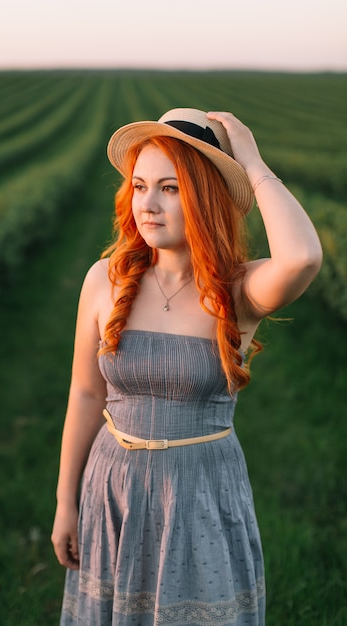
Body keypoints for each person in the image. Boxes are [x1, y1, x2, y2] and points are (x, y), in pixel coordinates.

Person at [51, 107, 322, 625]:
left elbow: (303, 258)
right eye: (139, 185)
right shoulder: (102, 280)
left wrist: (251, 160)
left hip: (199, 492)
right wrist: (67, 501)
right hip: (113, 486)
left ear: (204, 198)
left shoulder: (238, 291)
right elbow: (86, 395)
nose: (148, 204)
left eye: (170, 188)